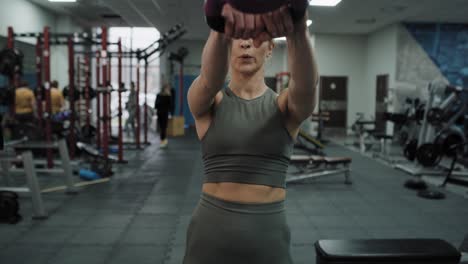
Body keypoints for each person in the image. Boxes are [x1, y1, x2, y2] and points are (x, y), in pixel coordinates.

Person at [183, 3, 318, 264]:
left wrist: (298, 29)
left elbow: (306, 86)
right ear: (229, 48)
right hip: (209, 236)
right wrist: (220, 25)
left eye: (256, 39)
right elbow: (211, 77)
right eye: (237, 38)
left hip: (267, 238)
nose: (245, 44)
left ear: (269, 49)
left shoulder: (284, 107)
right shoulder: (208, 102)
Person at [155, 83, 174, 148]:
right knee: (163, 127)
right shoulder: (168, 96)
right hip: (163, 113)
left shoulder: (159, 95)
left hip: (161, 113)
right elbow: (170, 106)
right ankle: (163, 140)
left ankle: (163, 140)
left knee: (162, 127)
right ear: (165, 89)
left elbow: (156, 105)